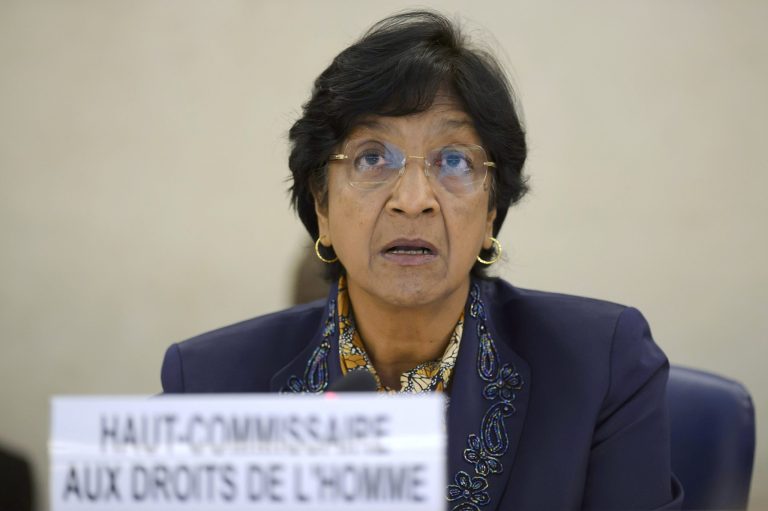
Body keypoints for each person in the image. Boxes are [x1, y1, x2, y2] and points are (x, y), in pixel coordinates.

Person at [161, 10, 682, 510]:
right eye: (371, 157)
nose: (413, 198)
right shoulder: (208, 386)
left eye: (453, 160)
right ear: (321, 206)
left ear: (491, 210)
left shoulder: (601, 367)